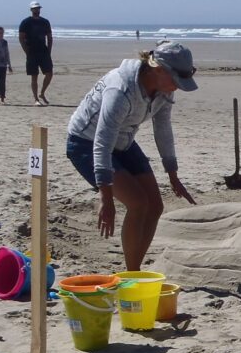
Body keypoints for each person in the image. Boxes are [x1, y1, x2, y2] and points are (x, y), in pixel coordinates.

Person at [65, 41, 198, 270]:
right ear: (157, 68)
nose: (176, 87)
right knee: (137, 203)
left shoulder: (163, 91)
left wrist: (172, 174)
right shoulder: (120, 89)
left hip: (123, 141)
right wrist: (105, 198)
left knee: (155, 206)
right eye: (175, 80)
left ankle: (133, 269)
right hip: (86, 142)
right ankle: (132, 274)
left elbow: (163, 128)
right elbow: (102, 143)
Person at [18, 1, 53, 105]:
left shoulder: (45, 22)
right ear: (31, 10)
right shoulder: (25, 22)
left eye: (38, 8)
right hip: (32, 51)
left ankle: (42, 93)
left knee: (49, 73)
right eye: (34, 8)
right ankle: (36, 99)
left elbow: (49, 37)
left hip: (43, 51)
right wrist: (26, 51)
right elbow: (21, 38)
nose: (36, 10)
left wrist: (49, 51)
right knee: (34, 76)